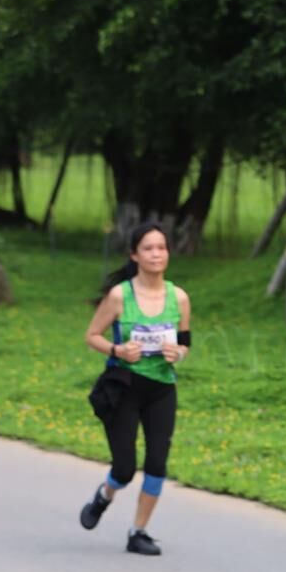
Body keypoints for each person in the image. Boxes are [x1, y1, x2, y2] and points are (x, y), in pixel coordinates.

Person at [79, 223, 191, 554]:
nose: (156, 254)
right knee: (125, 468)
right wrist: (117, 350)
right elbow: (92, 336)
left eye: (161, 247)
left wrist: (179, 353)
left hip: (161, 389)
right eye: (148, 248)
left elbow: (185, 342)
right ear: (135, 255)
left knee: (157, 462)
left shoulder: (179, 297)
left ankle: (138, 532)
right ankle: (104, 495)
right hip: (124, 387)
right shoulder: (119, 296)